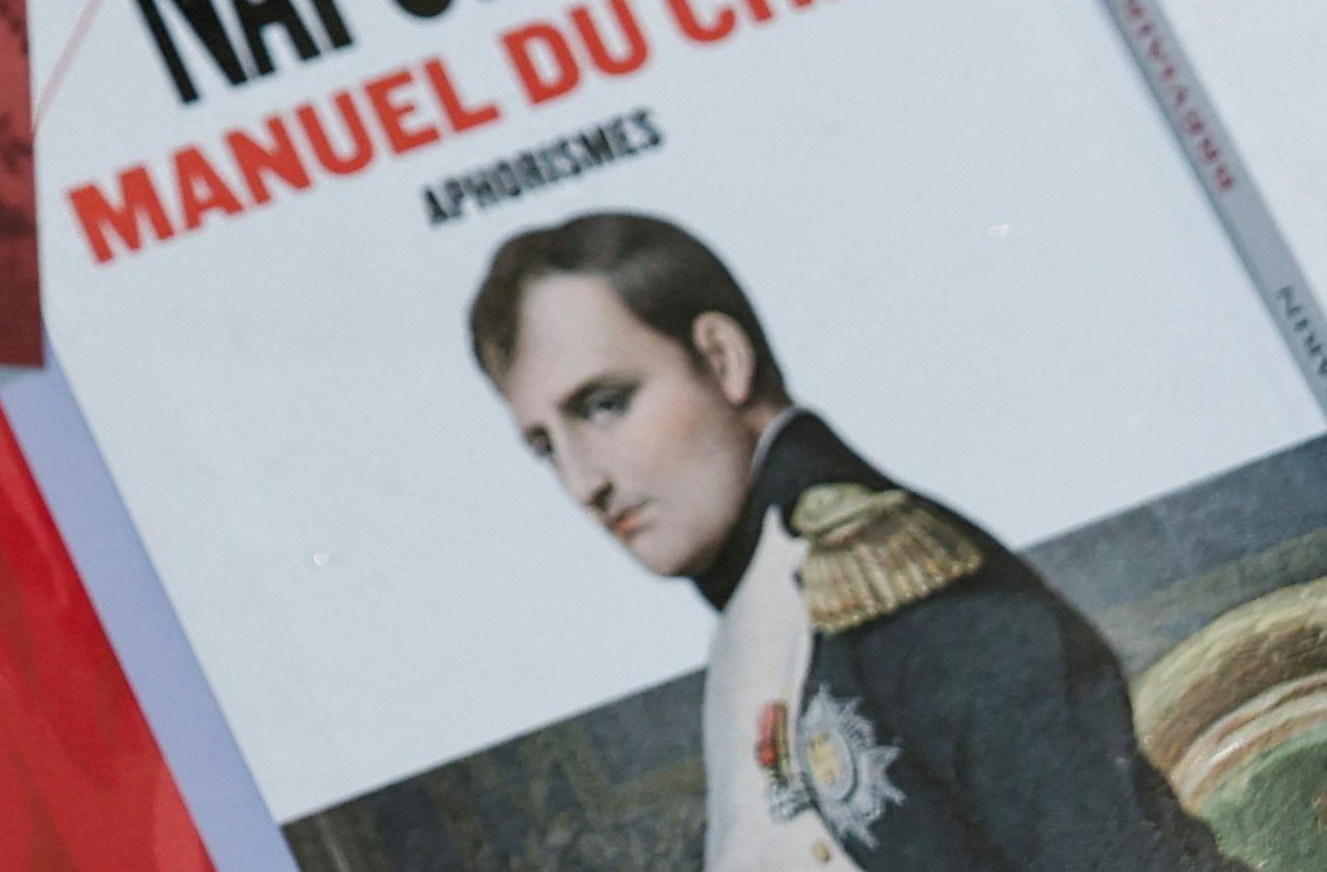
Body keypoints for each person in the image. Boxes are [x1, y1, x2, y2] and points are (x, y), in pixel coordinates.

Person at [469, 211, 1240, 868]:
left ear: (722, 358)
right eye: (545, 445)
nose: (582, 483)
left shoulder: (886, 576)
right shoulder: (767, 597)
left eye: (604, 404)